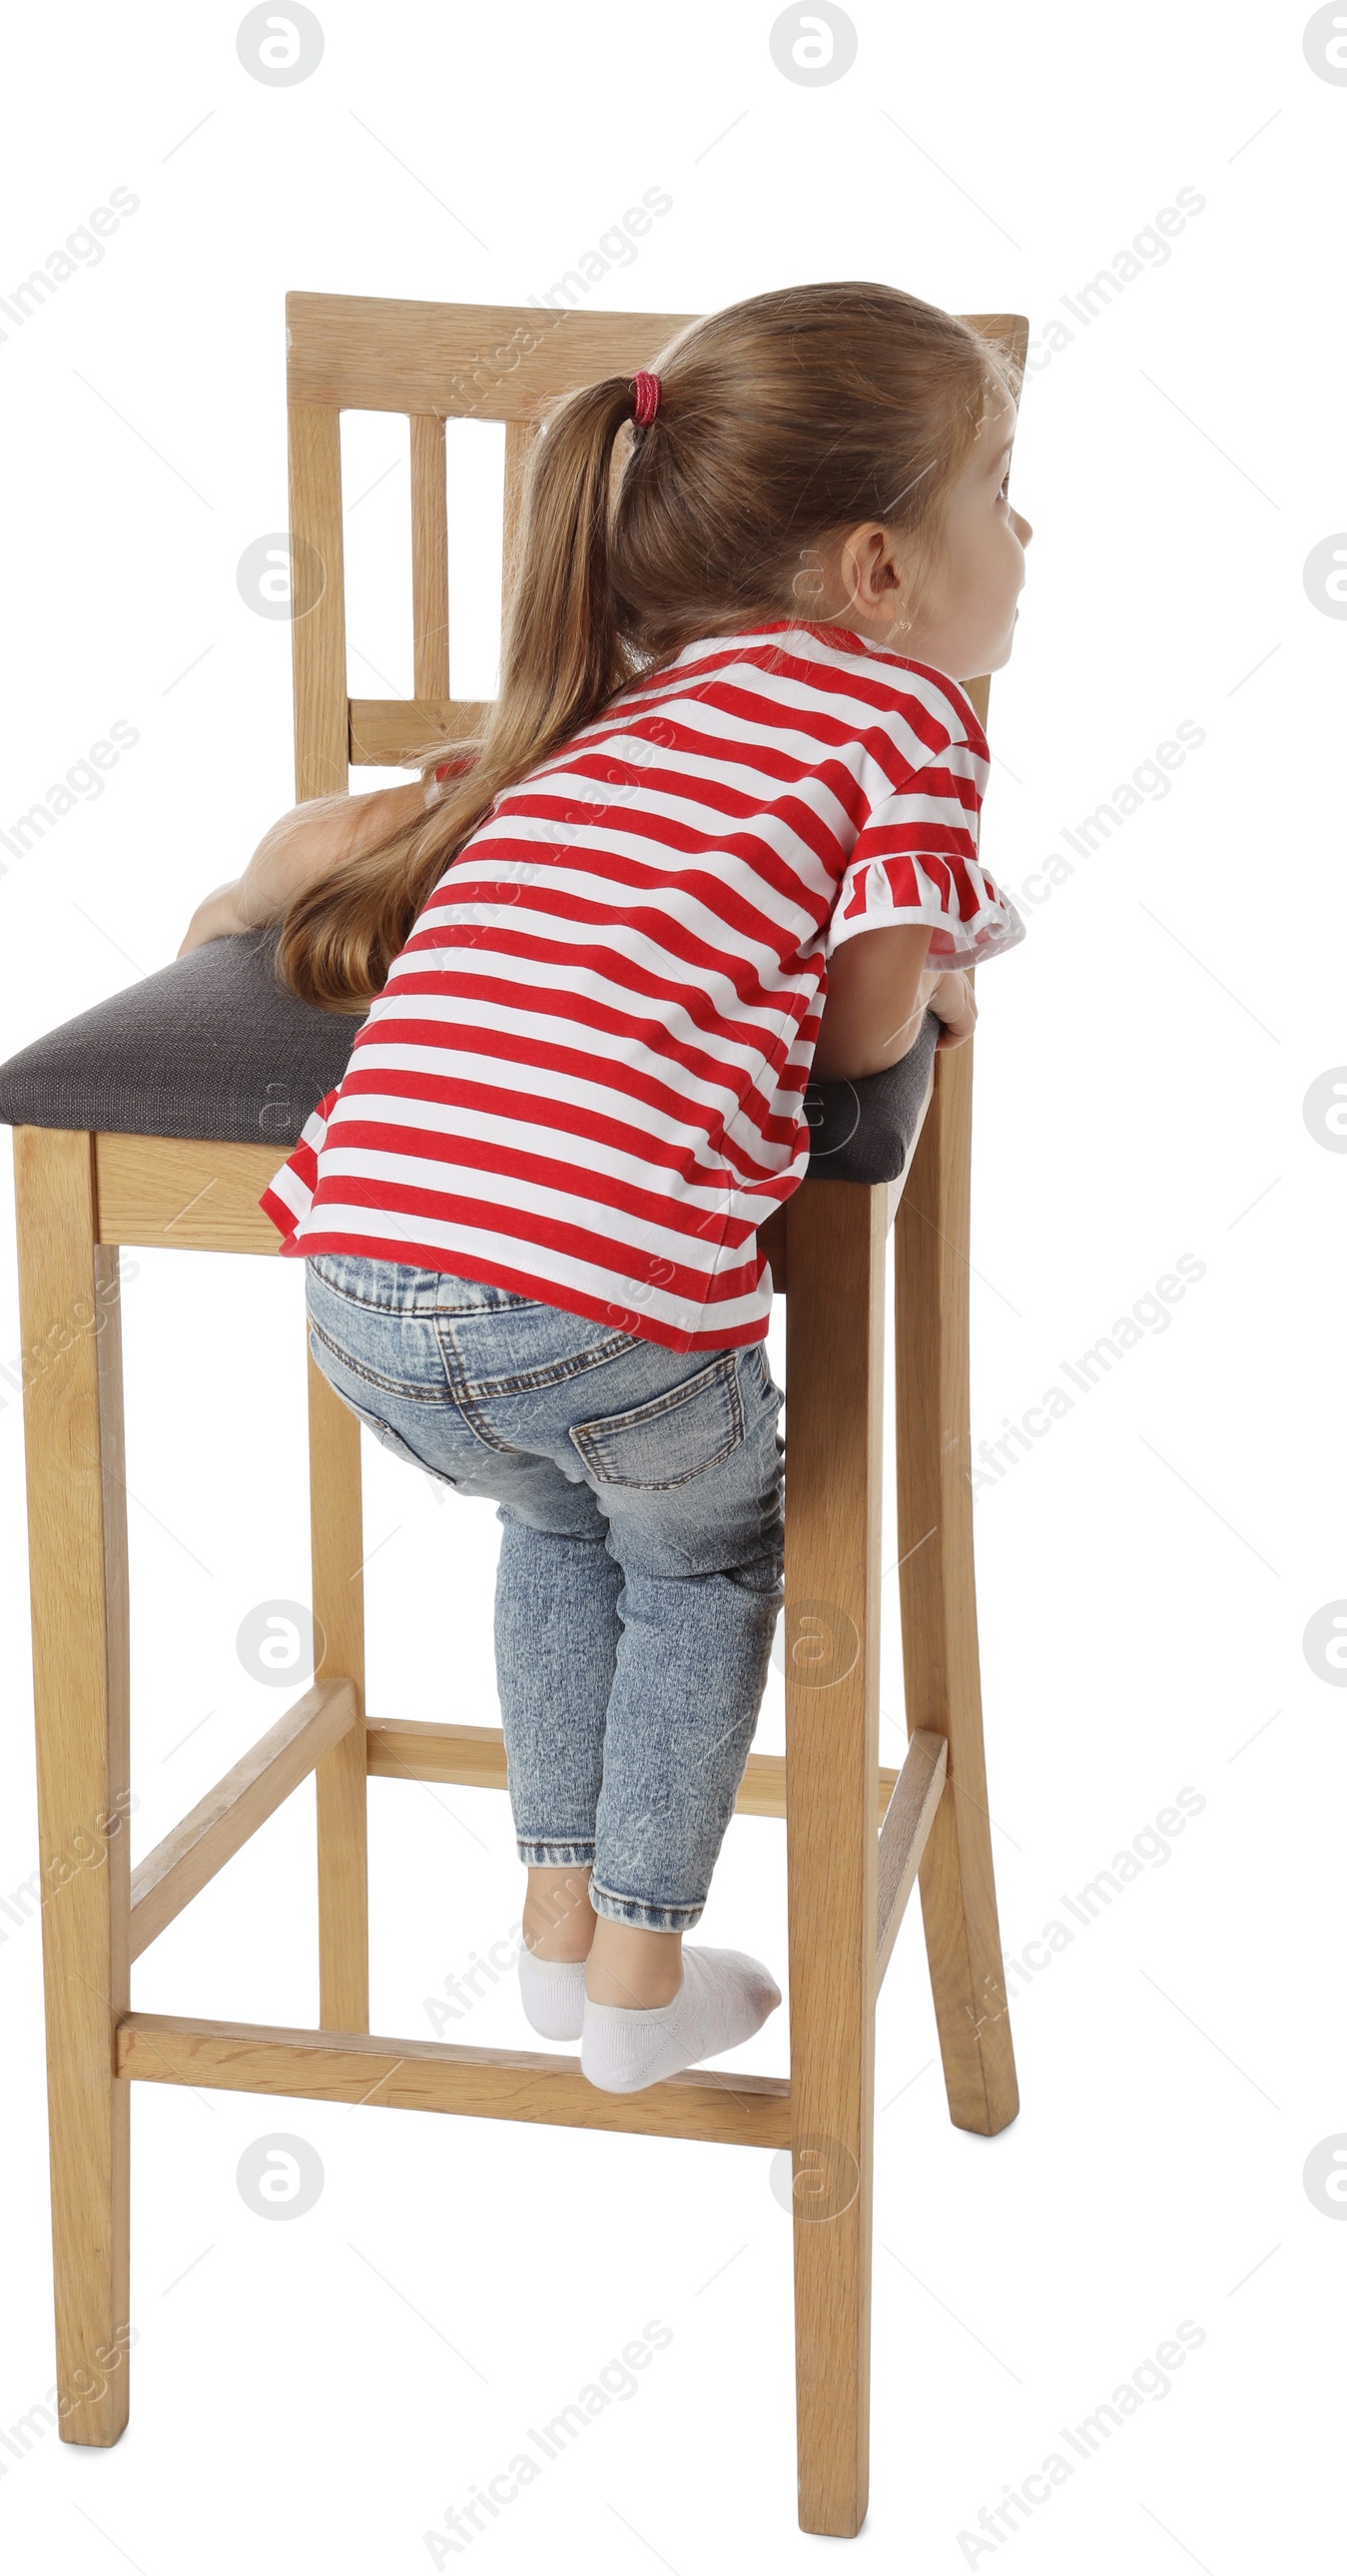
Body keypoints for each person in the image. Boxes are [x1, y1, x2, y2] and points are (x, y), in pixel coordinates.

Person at [180, 280, 1031, 2094]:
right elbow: (867, 1031)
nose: (1027, 535)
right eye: (1002, 491)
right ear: (880, 574)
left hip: (360, 1286)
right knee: (712, 1553)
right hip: (593, 1301)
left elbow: (336, 843)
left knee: (554, 1520)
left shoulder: (594, 711)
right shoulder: (910, 723)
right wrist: (926, 978)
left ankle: (555, 1937)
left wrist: (233, 916)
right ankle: (641, 1972)